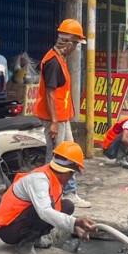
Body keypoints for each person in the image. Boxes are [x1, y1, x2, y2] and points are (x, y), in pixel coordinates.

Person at [0, 141, 96, 254]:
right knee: (45, 210)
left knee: (67, 206)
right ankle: (25, 245)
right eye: (72, 174)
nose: (71, 177)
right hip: (8, 229)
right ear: (67, 171)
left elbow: (57, 211)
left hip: (19, 222)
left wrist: (74, 227)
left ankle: (35, 237)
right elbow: (45, 212)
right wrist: (75, 222)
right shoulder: (39, 180)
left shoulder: (54, 177)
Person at [34, 19, 91, 208]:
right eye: (75, 44)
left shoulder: (59, 60)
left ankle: (68, 192)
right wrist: (55, 122)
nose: (76, 48)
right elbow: (50, 94)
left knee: (68, 154)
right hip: (55, 118)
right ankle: (49, 194)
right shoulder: (53, 62)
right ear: (67, 43)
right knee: (57, 157)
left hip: (61, 117)